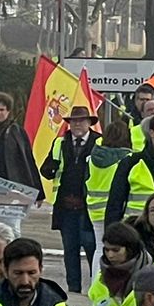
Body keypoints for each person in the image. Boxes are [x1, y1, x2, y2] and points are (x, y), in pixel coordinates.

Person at [42, 104, 101, 291]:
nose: (77, 124)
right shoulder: (60, 142)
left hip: (88, 207)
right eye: (73, 121)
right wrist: (52, 166)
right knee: (70, 251)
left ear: (89, 123)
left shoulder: (99, 142)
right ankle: (73, 289)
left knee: (92, 248)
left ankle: (94, 287)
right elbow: (46, 169)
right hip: (66, 207)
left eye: (81, 120)